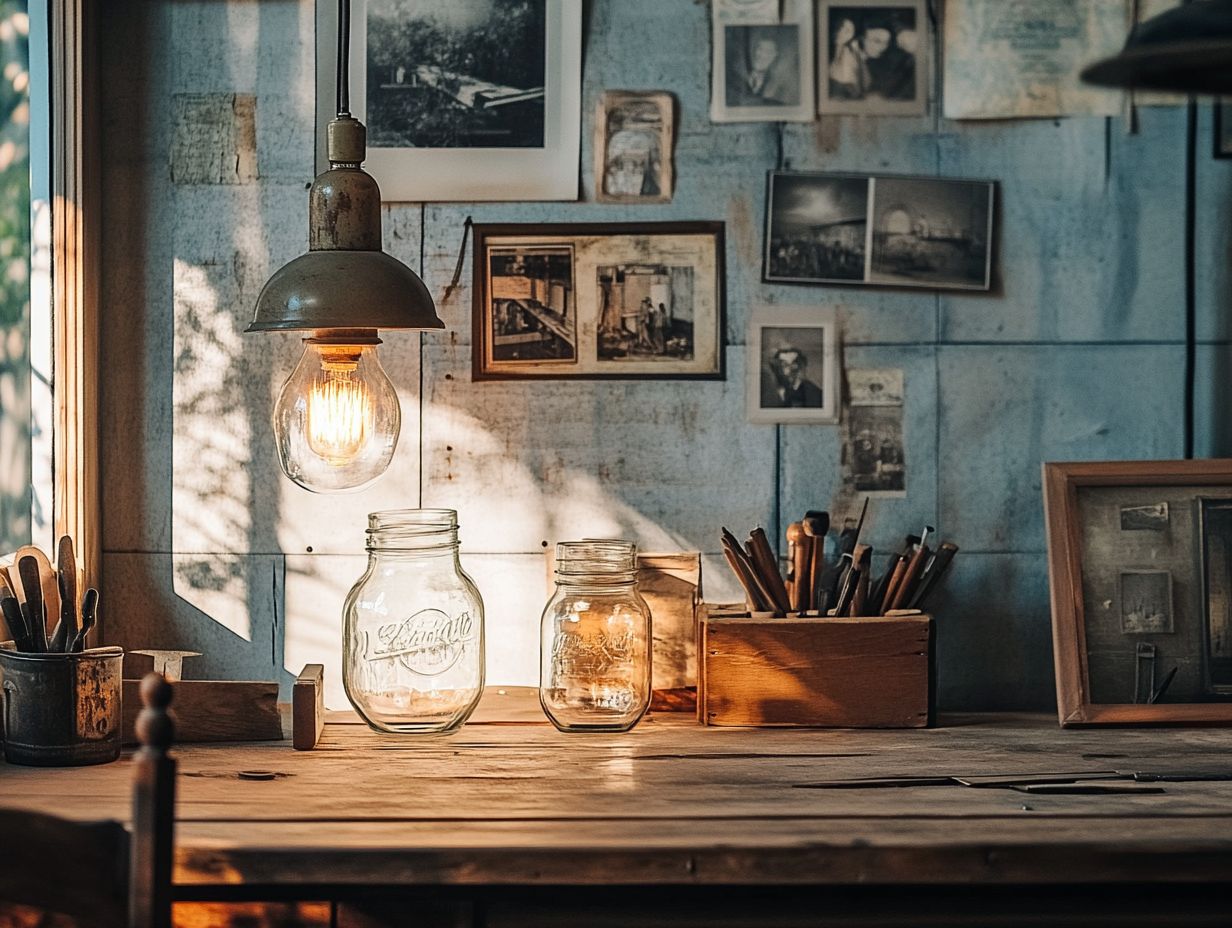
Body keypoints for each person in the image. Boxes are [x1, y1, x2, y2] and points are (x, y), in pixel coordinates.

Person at [728, 29, 798, 106]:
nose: (761, 55)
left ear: (775, 56)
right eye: (759, 48)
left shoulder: (778, 88)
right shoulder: (733, 76)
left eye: (768, 52)